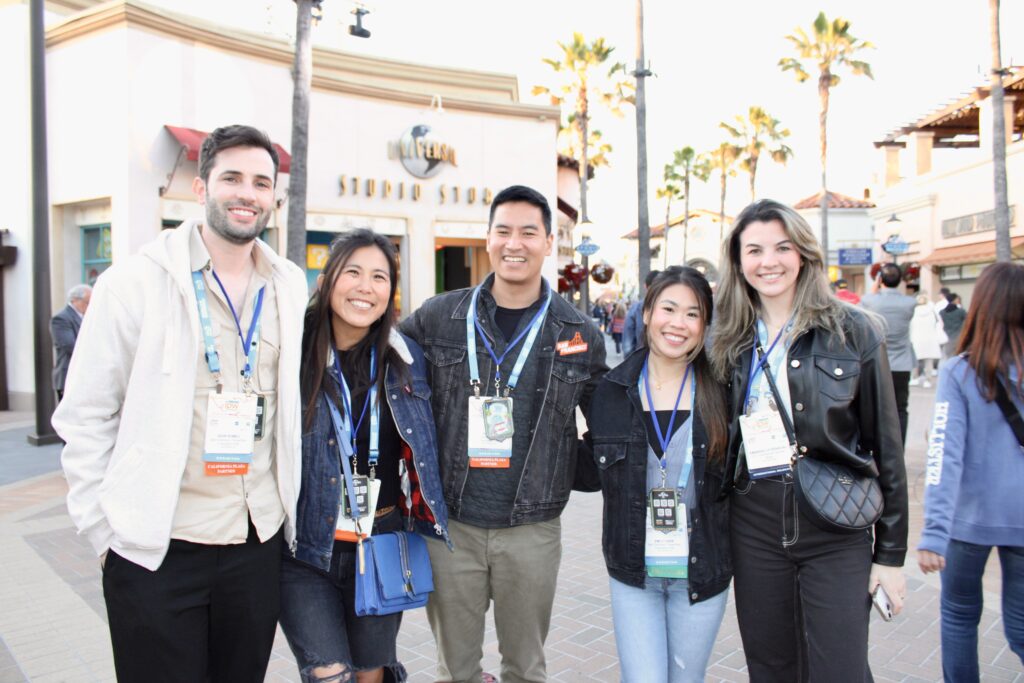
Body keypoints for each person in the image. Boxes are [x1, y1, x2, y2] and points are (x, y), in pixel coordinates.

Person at [52, 125, 309, 682]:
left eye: (261, 183)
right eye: (232, 178)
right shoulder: (135, 282)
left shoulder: (289, 284)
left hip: (255, 541)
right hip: (157, 550)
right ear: (200, 188)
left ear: (273, 197)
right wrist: (106, 533)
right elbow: (85, 415)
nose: (248, 193)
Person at [401, 184, 607, 683]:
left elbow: (607, 431)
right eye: (504, 231)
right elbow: (384, 369)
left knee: (525, 669)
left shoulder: (577, 333)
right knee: (455, 671)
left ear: (549, 242)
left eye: (528, 233)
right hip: (452, 528)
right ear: (488, 239)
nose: (515, 243)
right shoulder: (438, 317)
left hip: (532, 532)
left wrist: (563, 473)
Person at [711, 199, 908, 682]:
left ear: (803, 254)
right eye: (753, 250)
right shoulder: (727, 339)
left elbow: (887, 447)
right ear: (738, 262)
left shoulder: (855, 331)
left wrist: (891, 556)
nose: (768, 261)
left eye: (782, 247)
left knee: (839, 669)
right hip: (753, 523)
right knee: (771, 665)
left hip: (835, 526)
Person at [280, 229, 450, 683]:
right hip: (305, 549)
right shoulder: (289, 354)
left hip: (381, 539)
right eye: (352, 272)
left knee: (371, 673)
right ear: (327, 279)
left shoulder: (407, 357)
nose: (365, 287)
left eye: (379, 277)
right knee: (330, 673)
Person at [577, 266, 731, 682]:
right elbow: (588, 473)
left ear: (704, 325)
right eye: (668, 308)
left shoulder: (724, 390)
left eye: (693, 314)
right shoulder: (614, 389)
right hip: (635, 573)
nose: (678, 323)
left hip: (701, 572)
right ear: (646, 313)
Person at [918, 262, 1024, 682]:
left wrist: (933, 533)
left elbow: (944, 455)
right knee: (1020, 625)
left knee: (960, 619)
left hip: (968, 521)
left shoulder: (960, 372)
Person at [861, 263, 917, 444]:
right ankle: (899, 449)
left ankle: (878, 449)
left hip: (876, 362)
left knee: (876, 409)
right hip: (902, 364)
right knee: (901, 408)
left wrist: (874, 289)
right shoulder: (909, 303)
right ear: (900, 280)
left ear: (879, 279)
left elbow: (861, 308)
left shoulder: (870, 301)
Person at [50, 283, 91, 400]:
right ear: (75, 300)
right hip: (68, 376)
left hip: (83, 377)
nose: (90, 306)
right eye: (87, 302)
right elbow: (69, 346)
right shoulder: (61, 318)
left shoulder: (86, 318)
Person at [623, 269, 660, 356]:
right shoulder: (675, 310)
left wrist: (631, 365)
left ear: (645, 286)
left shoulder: (636, 308)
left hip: (642, 361)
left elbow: (627, 344)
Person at [909, 294, 943, 388]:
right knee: (929, 361)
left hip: (916, 338)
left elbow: (910, 326)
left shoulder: (913, 312)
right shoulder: (932, 312)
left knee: (915, 360)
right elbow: (938, 324)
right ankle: (928, 380)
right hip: (930, 339)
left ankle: (914, 378)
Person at [940, 293, 966, 359]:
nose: (958, 300)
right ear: (954, 300)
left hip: (947, 337)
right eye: (957, 299)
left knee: (949, 358)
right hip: (959, 336)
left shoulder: (942, 312)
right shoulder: (961, 311)